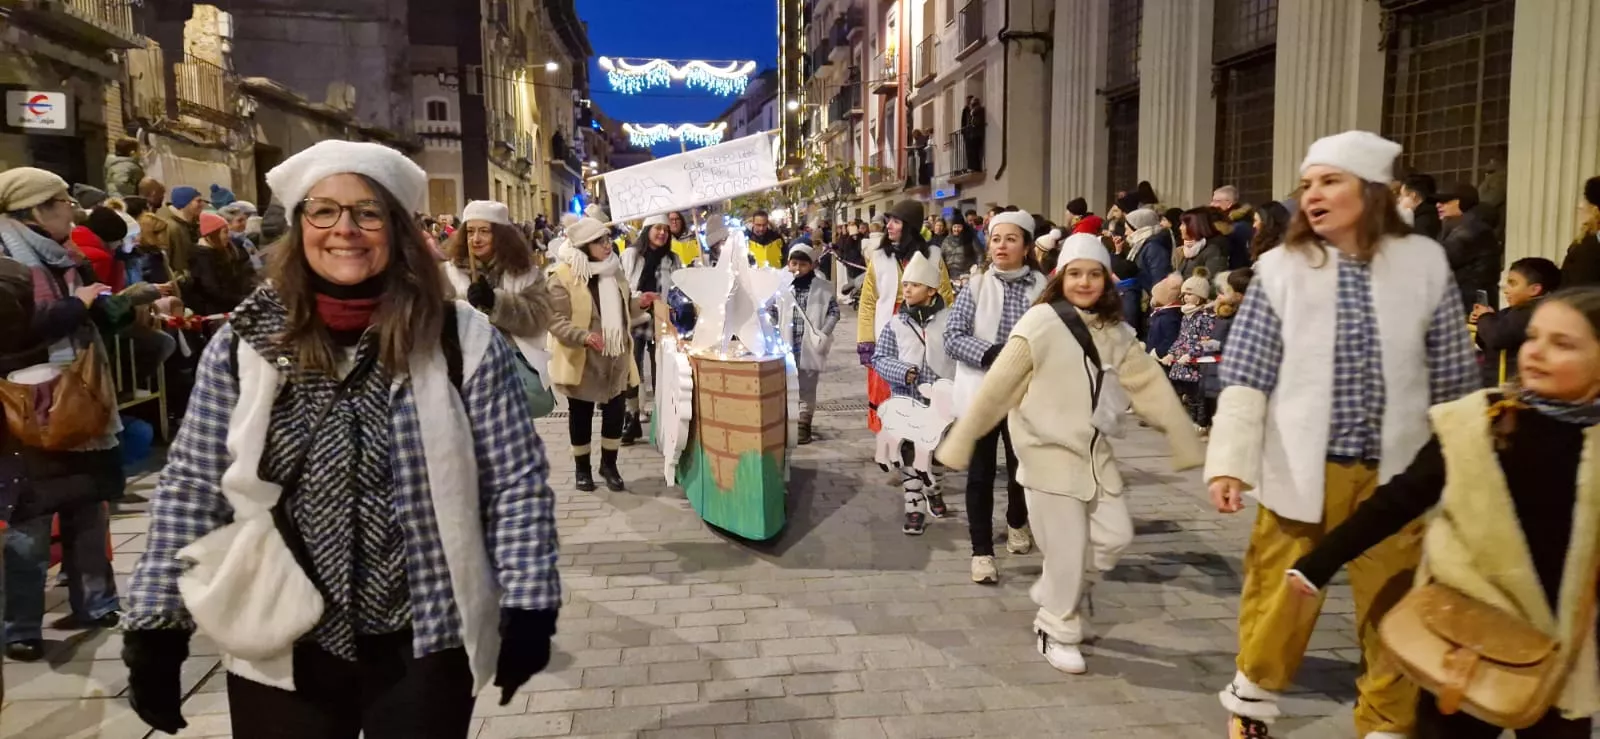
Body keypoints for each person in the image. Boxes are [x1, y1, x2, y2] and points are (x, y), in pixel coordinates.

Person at [121, 140, 561, 738]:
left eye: (368, 212)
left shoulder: (457, 337)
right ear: (299, 225)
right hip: (280, 635)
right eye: (323, 210)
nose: (344, 229)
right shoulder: (246, 340)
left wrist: (529, 602)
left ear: (398, 229)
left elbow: (514, 482)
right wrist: (156, 625)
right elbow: (193, 486)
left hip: (424, 636)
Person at [1205, 130, 1480, 739]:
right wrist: (1229, 462)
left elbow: (1453, 376)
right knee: (1281, 594)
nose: (1313, 195)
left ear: (1374, 191)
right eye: (1308, 184)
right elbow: (1246, 373)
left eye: (1331, 181)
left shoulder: (1423, 264)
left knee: (1396, 603)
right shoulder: (1280, 269)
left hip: (1397, 476)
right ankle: (1252, 701)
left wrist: (1462, 468)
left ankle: (1387, 722)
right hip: (1304, 465)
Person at [1287, 287, 1600, 739]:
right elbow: (1401, 498)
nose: (1536, 352)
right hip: (1466, 636)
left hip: (1566, 652)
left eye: (1563, 344)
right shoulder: (1480, 422)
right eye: (1533, 337)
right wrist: (1321, 560)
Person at [937, 234, 1201, 675]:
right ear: (1060, 278)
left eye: (1094, 274)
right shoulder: (1039, 322)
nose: (1084, 282)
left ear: (1107, 280)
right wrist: (962, 439)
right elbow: (998, 386)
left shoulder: (1114, 330)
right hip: (1045, 456)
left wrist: (1181, 437)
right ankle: (1055, 628)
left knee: (1114, 537)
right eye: (1075, 273)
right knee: (1066, 551)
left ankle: (1057, 586)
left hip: (1094, 458)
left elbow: (1149, 385)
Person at [0, 167, 128, 662]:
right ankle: (21, 626)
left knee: (88, 504)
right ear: (35, 209)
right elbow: (14, 333)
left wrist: (114, 303)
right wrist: (75, 305)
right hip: (26, 405)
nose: (71, 214)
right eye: (61, 203)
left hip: (80, 395)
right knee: (30, 519)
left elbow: (98, 312)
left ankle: (97, 603)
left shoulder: (66, 255)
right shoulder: (8, 261)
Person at [944, 210, 1047, 583]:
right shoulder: (975, 287)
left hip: (1028, 393)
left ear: (1026, 246)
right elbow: (952, 337)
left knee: (1024, 467)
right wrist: (991, 353)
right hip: (983, 392)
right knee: (981, 473)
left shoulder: (1044, 289)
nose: (1001, 246)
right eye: (996, 239)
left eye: (1011, 239)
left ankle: (1018, 521)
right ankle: (982, 551)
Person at [548, 216, 641, 493]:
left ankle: (609, 466)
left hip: (616, 355)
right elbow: (554, 319)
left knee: (615, 414)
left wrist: (641, 304)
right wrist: (584, 336)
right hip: (582, 359)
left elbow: (626, 309)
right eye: (599, 241)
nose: (607, 245)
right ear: (584, 246)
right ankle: (582, 469)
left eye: (607, 239)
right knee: (581, 415)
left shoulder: (614, 271)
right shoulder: (563, 275)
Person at [872, 252, 953, 536]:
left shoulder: (950, 320)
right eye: (905, 285)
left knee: (940, 454)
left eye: (914, 285)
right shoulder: (895, 324)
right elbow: (880, 358)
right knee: (909, 454)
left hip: (943, 404)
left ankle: (934, 489)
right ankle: (914, 506)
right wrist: (902, 371)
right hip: (908, 401)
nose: (906, 290)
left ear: (931, 290)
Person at [440, 199, 554, 401]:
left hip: (510, 373)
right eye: (470, 231)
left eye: (484, 231)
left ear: (501, 235)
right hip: (465, 375)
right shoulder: (448, 273)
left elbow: (539, 318)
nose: (476, 239)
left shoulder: (525, 274)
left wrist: (496, 303)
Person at [856, 200, 954, 433]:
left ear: (910, 226)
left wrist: (950, 332)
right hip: (887, 325)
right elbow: (868, 301)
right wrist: (866, 339)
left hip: (924, 325)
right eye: (888, 220)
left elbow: (946, 294)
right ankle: (888, 433)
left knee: (921, 378)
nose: (888, 226)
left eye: (896, 221)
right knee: (885, 381)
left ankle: (920, 431)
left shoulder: (932, 256)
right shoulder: (879, 257)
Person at [619, 213, 681, 445]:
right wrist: (640, 298)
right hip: (634, 315)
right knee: (631, 368)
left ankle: (662, 419)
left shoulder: (672, 259)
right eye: (658, 228)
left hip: (661, 318)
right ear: (647, 231)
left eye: (666, 229)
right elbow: (622, 284)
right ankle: (631, 417)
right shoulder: (631, 255)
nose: (662, 233)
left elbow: (677, 289)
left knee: (661, 368)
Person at [776, 244, 839, 444]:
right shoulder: (780, 286)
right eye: (794, 263)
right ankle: (787, 420)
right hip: (785, 344)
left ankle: (804, 423)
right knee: (785, 383)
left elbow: (834, 312)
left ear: (812, 265)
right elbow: (770, 310)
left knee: (807, 386)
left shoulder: (823, 287)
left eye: (803, 264)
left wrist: (824, 333)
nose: (798, 268)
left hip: (811, 344)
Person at [1472, 256, 1561, 387]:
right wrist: (1483, 319)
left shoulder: (1532, 312)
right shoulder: (1518, 310)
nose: (1506, 290)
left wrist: (1485, 317)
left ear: (1534, 290)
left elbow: (1497, 338)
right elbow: (1487, 341)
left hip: (1511, 384)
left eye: (1513, 284)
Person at [1162, 271, 1217, 431]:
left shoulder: (1206, 317)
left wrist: (1192, 354)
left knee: (1199, 395)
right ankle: (1191, 420)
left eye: (1190, 294)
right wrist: (1171, 353)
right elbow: (1182, 338)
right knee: (1189, 394)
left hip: (1197, 363)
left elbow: (1209, 342)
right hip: (1183, 361)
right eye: (1184, 294)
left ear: (1200, 297)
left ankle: (1201, 423)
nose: (1185, 297)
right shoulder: (1186, 315)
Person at [1438, 183, 1503, 312]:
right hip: (1469, 298)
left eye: (1445, 201)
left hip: (1471, 301)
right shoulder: (1461, 225)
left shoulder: (1471, 229)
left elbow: (1441, 259)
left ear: (1460, 202)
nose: (1438, 205)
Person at [183, 211, 256, 317]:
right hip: (214, 311)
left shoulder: (221, 252)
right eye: (225, 232)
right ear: (213, 234)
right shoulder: (202, 257)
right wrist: (240, 299)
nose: (228, 236)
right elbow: (212, 290)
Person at [155, 185, 205, 277]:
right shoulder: (170, 227)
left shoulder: (193, 224)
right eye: (198, 201)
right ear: (185, 203)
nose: (202, 204)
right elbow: (165, 260)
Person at [1559, 176, 1600, 287]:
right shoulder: (1585, 243)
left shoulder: (1587, 250)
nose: (1580, 206)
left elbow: (1577, 289)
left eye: (1585, 199)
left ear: (1595, 210)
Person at [1174, 208, 1228, 278]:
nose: (1180, 228)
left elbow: (1211, 279)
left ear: (1195, 226)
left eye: (1183, 224)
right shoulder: (1187, 247)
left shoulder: (1213, 249)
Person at [1212, 186, 1256, 269]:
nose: (1212, 204)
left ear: (1229, 203)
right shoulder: (1228, 222)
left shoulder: (1239, 226)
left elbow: (1238, 255)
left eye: (1217, 201)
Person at [1146, 274, 1183, 360]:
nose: (1153, 299)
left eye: (1155, 296)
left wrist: (1158, 352)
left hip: (1162, 360)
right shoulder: (1161, 314)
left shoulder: (1169, 317)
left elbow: (1171, 339)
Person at [1398, 173, 1442, 240]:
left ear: (1413, 195)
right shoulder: (1435, 213)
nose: (1399, 199)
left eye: (1402, 196)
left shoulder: (1423, 222)